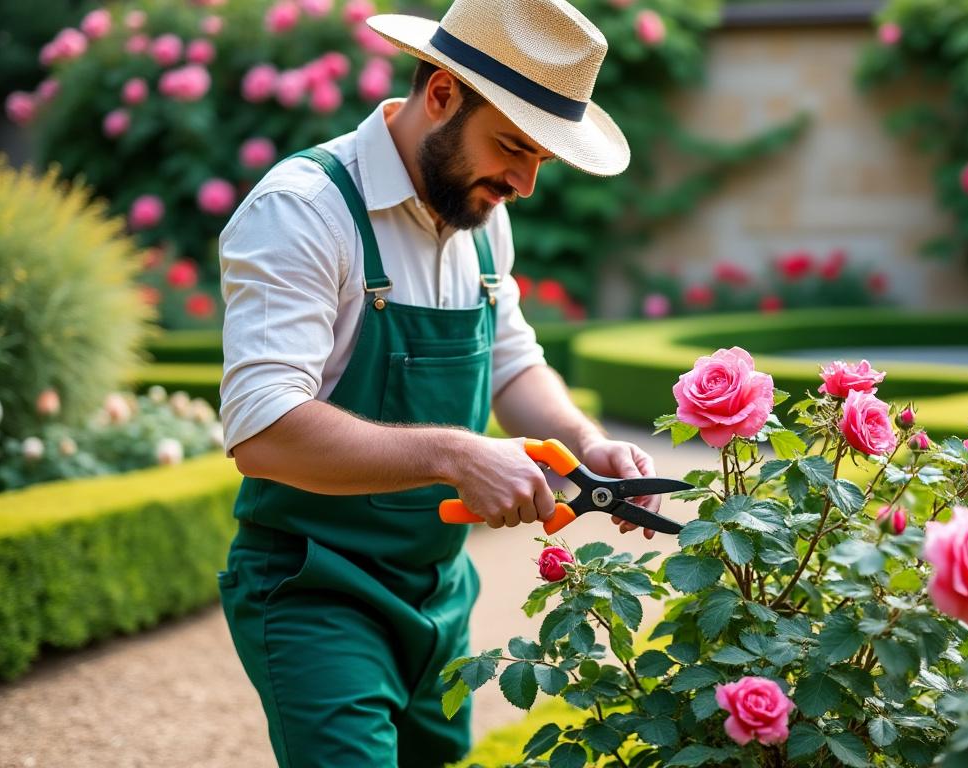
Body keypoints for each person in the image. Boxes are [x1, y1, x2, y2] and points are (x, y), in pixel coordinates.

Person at [215, 1, 659, 764]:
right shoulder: (305, 209)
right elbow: (262, 430)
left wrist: (587, 445)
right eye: (513, 147)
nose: (523, 183)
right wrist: (456, 454)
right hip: (317, 591)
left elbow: (511, 361)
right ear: (443, 94)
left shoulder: (480, 210)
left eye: (541, 162)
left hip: (441, 595)